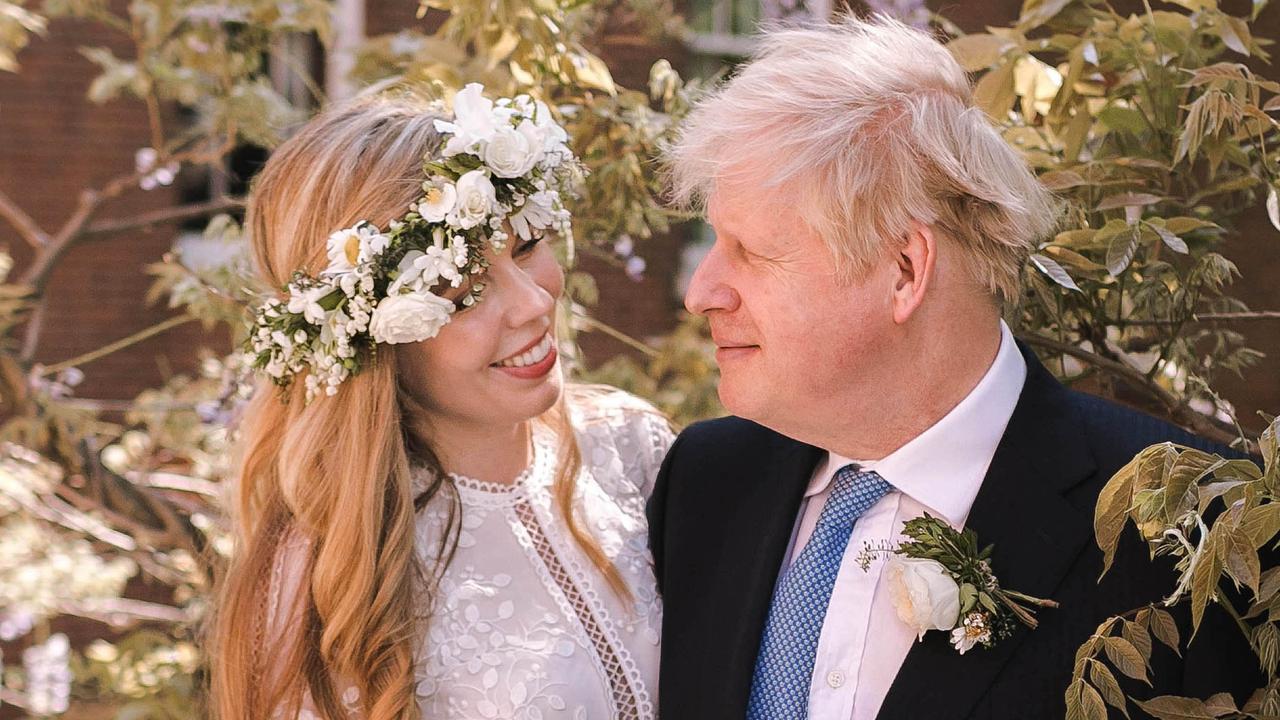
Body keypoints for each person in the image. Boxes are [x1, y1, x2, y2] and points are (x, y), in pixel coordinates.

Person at [647, 15, 1258, 720]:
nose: (702, 293)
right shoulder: (707, 481)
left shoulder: (1191, 531)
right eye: (712, 243)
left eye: (750, 252)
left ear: (904, 269)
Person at [208, 87, 672, 720]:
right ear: (370, 336)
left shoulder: (634, 446)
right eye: (463, 290)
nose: (534, 303)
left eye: (526, 245)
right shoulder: (329, 578)